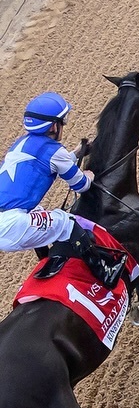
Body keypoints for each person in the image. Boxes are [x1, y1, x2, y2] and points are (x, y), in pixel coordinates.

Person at [0, 92, 123, 284]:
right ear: (54, 126)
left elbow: (47, 165)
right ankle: (105, 272)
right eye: (62, 121)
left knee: (41, 214)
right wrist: (88, 176)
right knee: (68, 223)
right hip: (12, 225)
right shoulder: (55, 151)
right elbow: (81, 185)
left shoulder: (21, 143)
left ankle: (48, 262)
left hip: (8, 220)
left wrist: (75, 154)